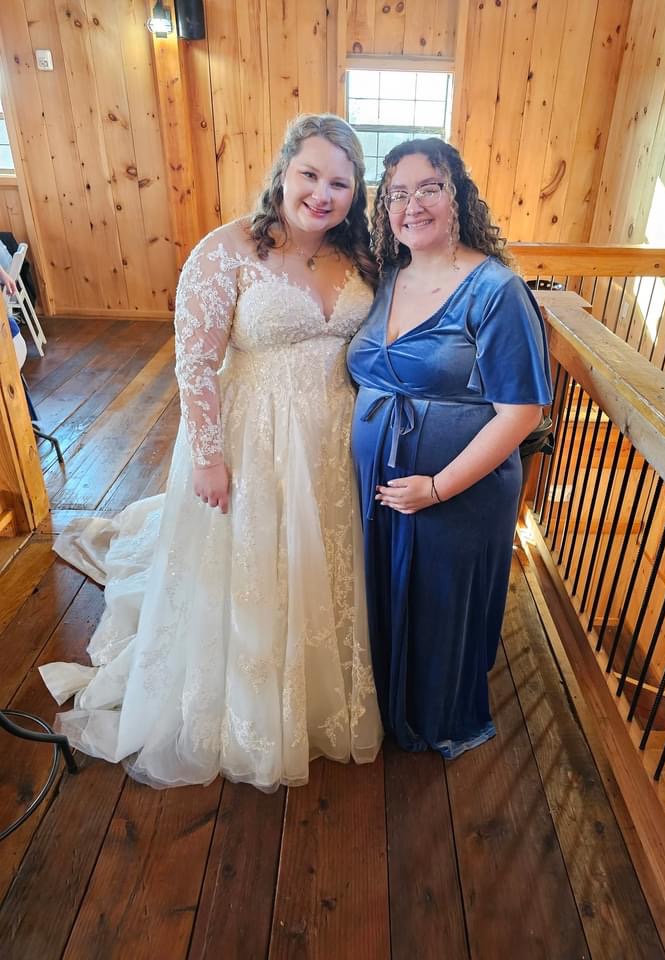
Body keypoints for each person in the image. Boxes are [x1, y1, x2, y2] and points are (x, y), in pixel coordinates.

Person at [40, 114, 383, 791]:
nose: (322, 194)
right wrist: (207, 457)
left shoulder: (362, 255)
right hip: (256, 435)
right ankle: (257, 708)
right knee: (259, 566)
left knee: (326, 562)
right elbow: (195, 362)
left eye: (339, 183)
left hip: (338, 436)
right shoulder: (227, 250)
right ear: (283, 171)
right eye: (309, 174)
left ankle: (322, 691)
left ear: (355, 192)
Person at [348, 138, 552, 758]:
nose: (412, 205)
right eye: (397, 194)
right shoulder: (386, 278)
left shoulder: (496, 290)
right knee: (386, 594)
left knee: (439, 607)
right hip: (380, 483)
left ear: (457, 195)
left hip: (457, 492)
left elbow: (521, 412)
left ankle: (434, 717)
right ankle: (385, 704)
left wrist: (437, 488)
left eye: (428, 188)